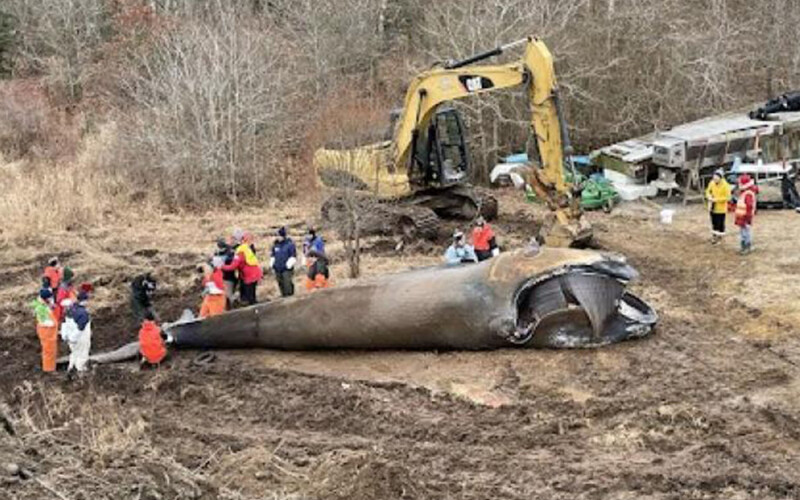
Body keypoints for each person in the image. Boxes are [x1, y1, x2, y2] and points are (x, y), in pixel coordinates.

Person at [222, 230, 263, 305]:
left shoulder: (240, 251)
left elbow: (233, 266)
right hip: (253, 274)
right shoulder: (246, 248)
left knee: (249, 296)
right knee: (252, 295)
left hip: (249, 276)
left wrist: (221, 266)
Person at [61, 291, 92, 374]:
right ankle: (80, 374)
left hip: (70, 338)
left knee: (74, 354)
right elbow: (81, 328)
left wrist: (65, 335)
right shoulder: (83, 313)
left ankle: (70, 370)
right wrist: (74, 338)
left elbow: (64, 322)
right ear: (85, 301)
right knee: (82, 356)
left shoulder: (69, 309)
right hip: (80, 338)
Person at [30, 288, 58, 373]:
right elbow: (44, 321)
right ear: (45, 298)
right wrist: (52, 324)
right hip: (47, 333)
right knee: (49, 351)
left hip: (49, 333)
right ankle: (49, 369)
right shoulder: (40, 308)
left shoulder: (43, 304)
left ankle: (51, 367)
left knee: (51, 351)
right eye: (50, 298)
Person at [705, 169, 732, 244]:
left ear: (720, 178)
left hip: (721, 209)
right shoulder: (712, 183)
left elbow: (728, 197)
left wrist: (716, 200)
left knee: (720, 223)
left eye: (716, 178)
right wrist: (709, 196)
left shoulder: (726, 186)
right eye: (714, 178)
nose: (715, 179)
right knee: (713, 223)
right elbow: (707, 191)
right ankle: (714, 236)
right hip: (712, 207)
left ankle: (720, 237)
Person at [734, 174, 758, 255]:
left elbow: (749, 206)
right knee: (743, 232)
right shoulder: (745, 193)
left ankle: (746, 246)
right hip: (742, 217)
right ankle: (744, 246)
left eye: (740, 183)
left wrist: (747, 218)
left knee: (745, 233)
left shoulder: (747, 194)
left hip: (745, 217)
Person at [270, 227, 297, 297]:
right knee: (280, 283)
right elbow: (273, 255)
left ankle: (290, 296)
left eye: (279, 235)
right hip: (277, 268)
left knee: (287, 283)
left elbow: (293, 256)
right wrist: (272, 264)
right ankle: (283, 296)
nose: (277, 237)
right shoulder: (275, 245)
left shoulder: (289, 244)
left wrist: (288, 265)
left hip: (286, 269)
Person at [215, 237, 238, 309]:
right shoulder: (217, 252)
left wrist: (223, 262)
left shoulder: (230, 252)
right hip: (221, 277)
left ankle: (233, 308)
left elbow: (232, 262)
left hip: (229, 277)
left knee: (229, 295)